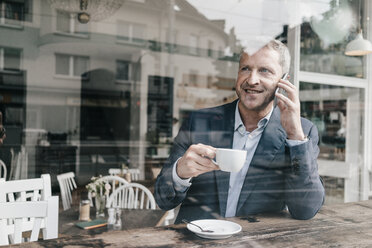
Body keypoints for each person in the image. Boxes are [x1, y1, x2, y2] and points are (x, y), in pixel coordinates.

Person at [154, 40, 325, 224]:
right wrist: (179, 173)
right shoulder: (199, 122)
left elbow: (306, 209)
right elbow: (163, 200)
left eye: (264, 71)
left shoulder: (302, 132)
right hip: (195, 241)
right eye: (245, 69)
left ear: (283, 80)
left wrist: (295, 137)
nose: (252, 80)